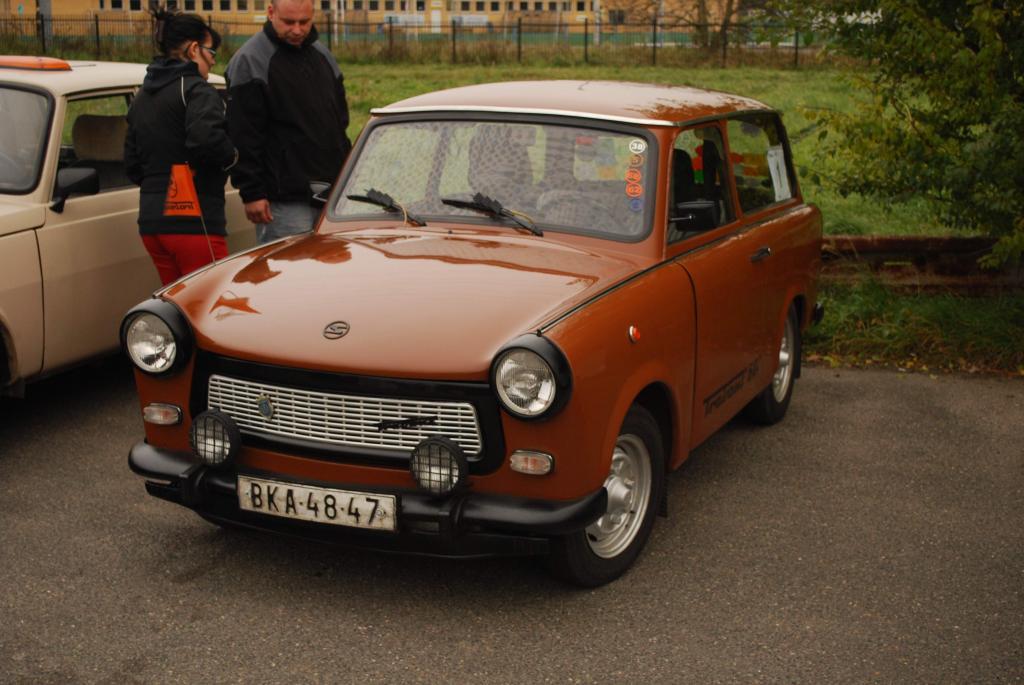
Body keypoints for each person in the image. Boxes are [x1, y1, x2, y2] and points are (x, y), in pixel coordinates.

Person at [124, 9, 237, 286]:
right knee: (208, 299)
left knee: (176, 303)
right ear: (194, 49)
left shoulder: (142, 96)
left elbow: (132, 164)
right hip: (193, 221)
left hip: (151, 222)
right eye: (211, 52)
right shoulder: (197, 90)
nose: (213, 61)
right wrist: (232, 156)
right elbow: (207, 141)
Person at [225, 0, 352, 245]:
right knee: (290, 266)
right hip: (283, 201)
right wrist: (252, 193)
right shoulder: (250, 61)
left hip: (331, 195)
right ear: (271, 12)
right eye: (289, 22)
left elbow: (340, 121)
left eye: (304, 22)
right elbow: (242, 134)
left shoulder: (323, 56)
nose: (297, 30)